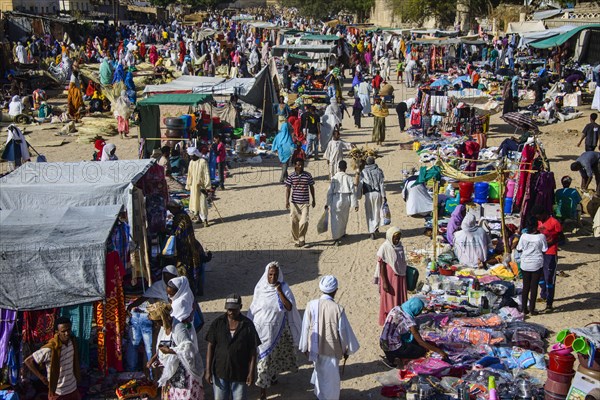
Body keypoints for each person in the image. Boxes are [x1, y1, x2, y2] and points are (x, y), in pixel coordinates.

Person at [299, 276, 359, 400]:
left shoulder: (311, 305)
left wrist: (304, 346)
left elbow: (305, 327)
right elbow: (343, 333)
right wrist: (347, 350)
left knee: (319, 373)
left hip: (314, 348)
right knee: (331, 381)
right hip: (331, 351)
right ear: (335, 290)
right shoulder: (338, 309)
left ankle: (320, 396)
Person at [247, 262, 301, 400]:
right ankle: (263, 391)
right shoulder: (260, 288)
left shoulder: (284, 287)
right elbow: (254, 307)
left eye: (275, 275)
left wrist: (279, 291)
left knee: (273, 357)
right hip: (261, 329)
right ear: (266, 274)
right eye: (270, 274)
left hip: (277, 330)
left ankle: (269, 383)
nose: (273, 277)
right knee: (263, 360)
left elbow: (289, 307)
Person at [205, 294, 261, 400]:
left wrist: (251, 372)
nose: (231, 312)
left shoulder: (248, 325)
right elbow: (210, 346)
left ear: (241, 307)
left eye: (234, 309)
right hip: (220, 372)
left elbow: (253, 351)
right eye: (229, 309)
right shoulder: (218, 323)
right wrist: (208, 370)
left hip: (240, 373)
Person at [147, 302, 205, 400]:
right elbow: (163, 345)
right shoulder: (163, 328)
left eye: (157, 321)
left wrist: (170, 351)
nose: (156, 324)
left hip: (184, 373)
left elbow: (188, 349)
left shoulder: (179, 328)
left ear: (163, 319)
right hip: (171, 371)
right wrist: (154, 358)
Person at [379, 298, 447, 368]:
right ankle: (398, 357)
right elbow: (420, 342)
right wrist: (439, 351)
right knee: (421, 351)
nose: (419, 313)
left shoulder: (396, 309)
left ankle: (392, 358)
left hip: (383, 343)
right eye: (419, 310)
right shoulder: (408, 319)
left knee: (407, 340)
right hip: (395, 347)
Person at [24, 316, 81, 400]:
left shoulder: (72, 342)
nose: (67, 333)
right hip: (58, 392)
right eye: (63, 331)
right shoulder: (50, 348)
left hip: (72, 388)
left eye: (68, 330)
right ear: (57, 332)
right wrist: (41, 377)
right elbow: (28, 361)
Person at [532, 205, 563, 312]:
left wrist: (548, 244)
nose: (538, 218)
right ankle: (543, 294)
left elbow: (561, 237)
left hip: (550, 253)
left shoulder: (554, 222)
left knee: (549, 277)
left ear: (544, 214)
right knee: (540, 275)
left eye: (539, 216)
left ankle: (549, 303)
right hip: (539, 253)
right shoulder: (538, 222)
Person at [375, 227, 408, 325]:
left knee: (399, 297)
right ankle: (390, 321)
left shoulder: (400, 246)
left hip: (400, 277)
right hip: (390, 278)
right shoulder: (385, 247)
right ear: (390, 237)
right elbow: (381, 266)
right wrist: (385, 282)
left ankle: (399, 319)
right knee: (390, 299)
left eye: (398, 238)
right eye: (395, 238)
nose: (397, 240)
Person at [516, 218, 548, 316]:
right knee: (534, 287)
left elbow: (519, 248)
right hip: (537, 264)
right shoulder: (541, 237)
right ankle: (532, 309)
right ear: (536, 226)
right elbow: (545, 249)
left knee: (526, 286)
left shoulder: (523, 236)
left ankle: (524, 309)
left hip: (525, 263)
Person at [325, 160, 358, 245]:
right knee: (344, 217)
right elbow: (353, 192)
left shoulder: (334, 178)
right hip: (346, 199)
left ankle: (336, 237)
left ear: (338, 167)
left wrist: (327, 203)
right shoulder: (349, 178)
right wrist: (355, 204)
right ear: (346, 168)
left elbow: (330, 192)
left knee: (335, 219)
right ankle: (342, 233)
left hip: (336, 199)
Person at [285, 158, 316, 248]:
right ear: (295, 165)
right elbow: (288, 189)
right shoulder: (291, 176)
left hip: (305, 203)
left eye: (302, 165)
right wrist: (287, 201)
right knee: (293, 222)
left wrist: (314, 199)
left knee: (304, 222)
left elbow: (311, 187)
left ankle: (302, 239)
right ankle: (296, 240)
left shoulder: (308, 175)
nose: (300, 166)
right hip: (294, 203)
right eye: (298, 165)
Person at [359, 156, 386, 240]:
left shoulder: (363, 172)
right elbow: (382, 184)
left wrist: (358, 195)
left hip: (368, 194)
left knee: (369, 213)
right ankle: (376, 228)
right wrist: (384, 196)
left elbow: (360, 185)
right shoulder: (379, 171)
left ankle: (371, 232)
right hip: (378, 194)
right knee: (377, 212)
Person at [186, 147, 211, 227]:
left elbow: (207, 174)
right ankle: (198, 218)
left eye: (192, 156)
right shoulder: (191, 163)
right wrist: (188, 185)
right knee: (195, 202)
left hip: (201, 186)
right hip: (194, 186)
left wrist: (207, 187)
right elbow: (189, 175)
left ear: (195, 154)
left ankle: (205, 220)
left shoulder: (203, 162)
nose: (191, 157)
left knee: (202, 203)